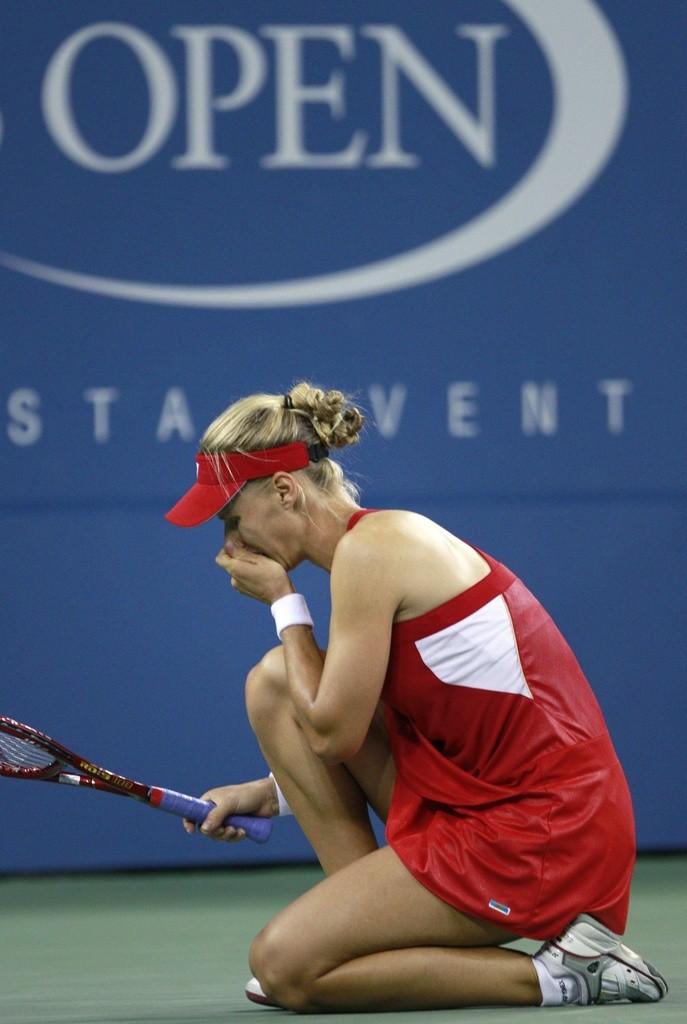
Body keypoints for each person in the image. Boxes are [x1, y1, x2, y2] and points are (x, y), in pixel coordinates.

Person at [165, 382, 667, 1013]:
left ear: (286, 490)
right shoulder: (366, 553)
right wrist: (266, 795)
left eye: (232, 521)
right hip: (477, 804)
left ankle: (571, 974)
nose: (230, 548)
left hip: (545, 832)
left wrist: (283, 604)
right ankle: (361, 935)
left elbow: (333, 738)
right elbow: (375, 729)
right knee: (274, 682)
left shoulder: (376, 550)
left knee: (283, 967)